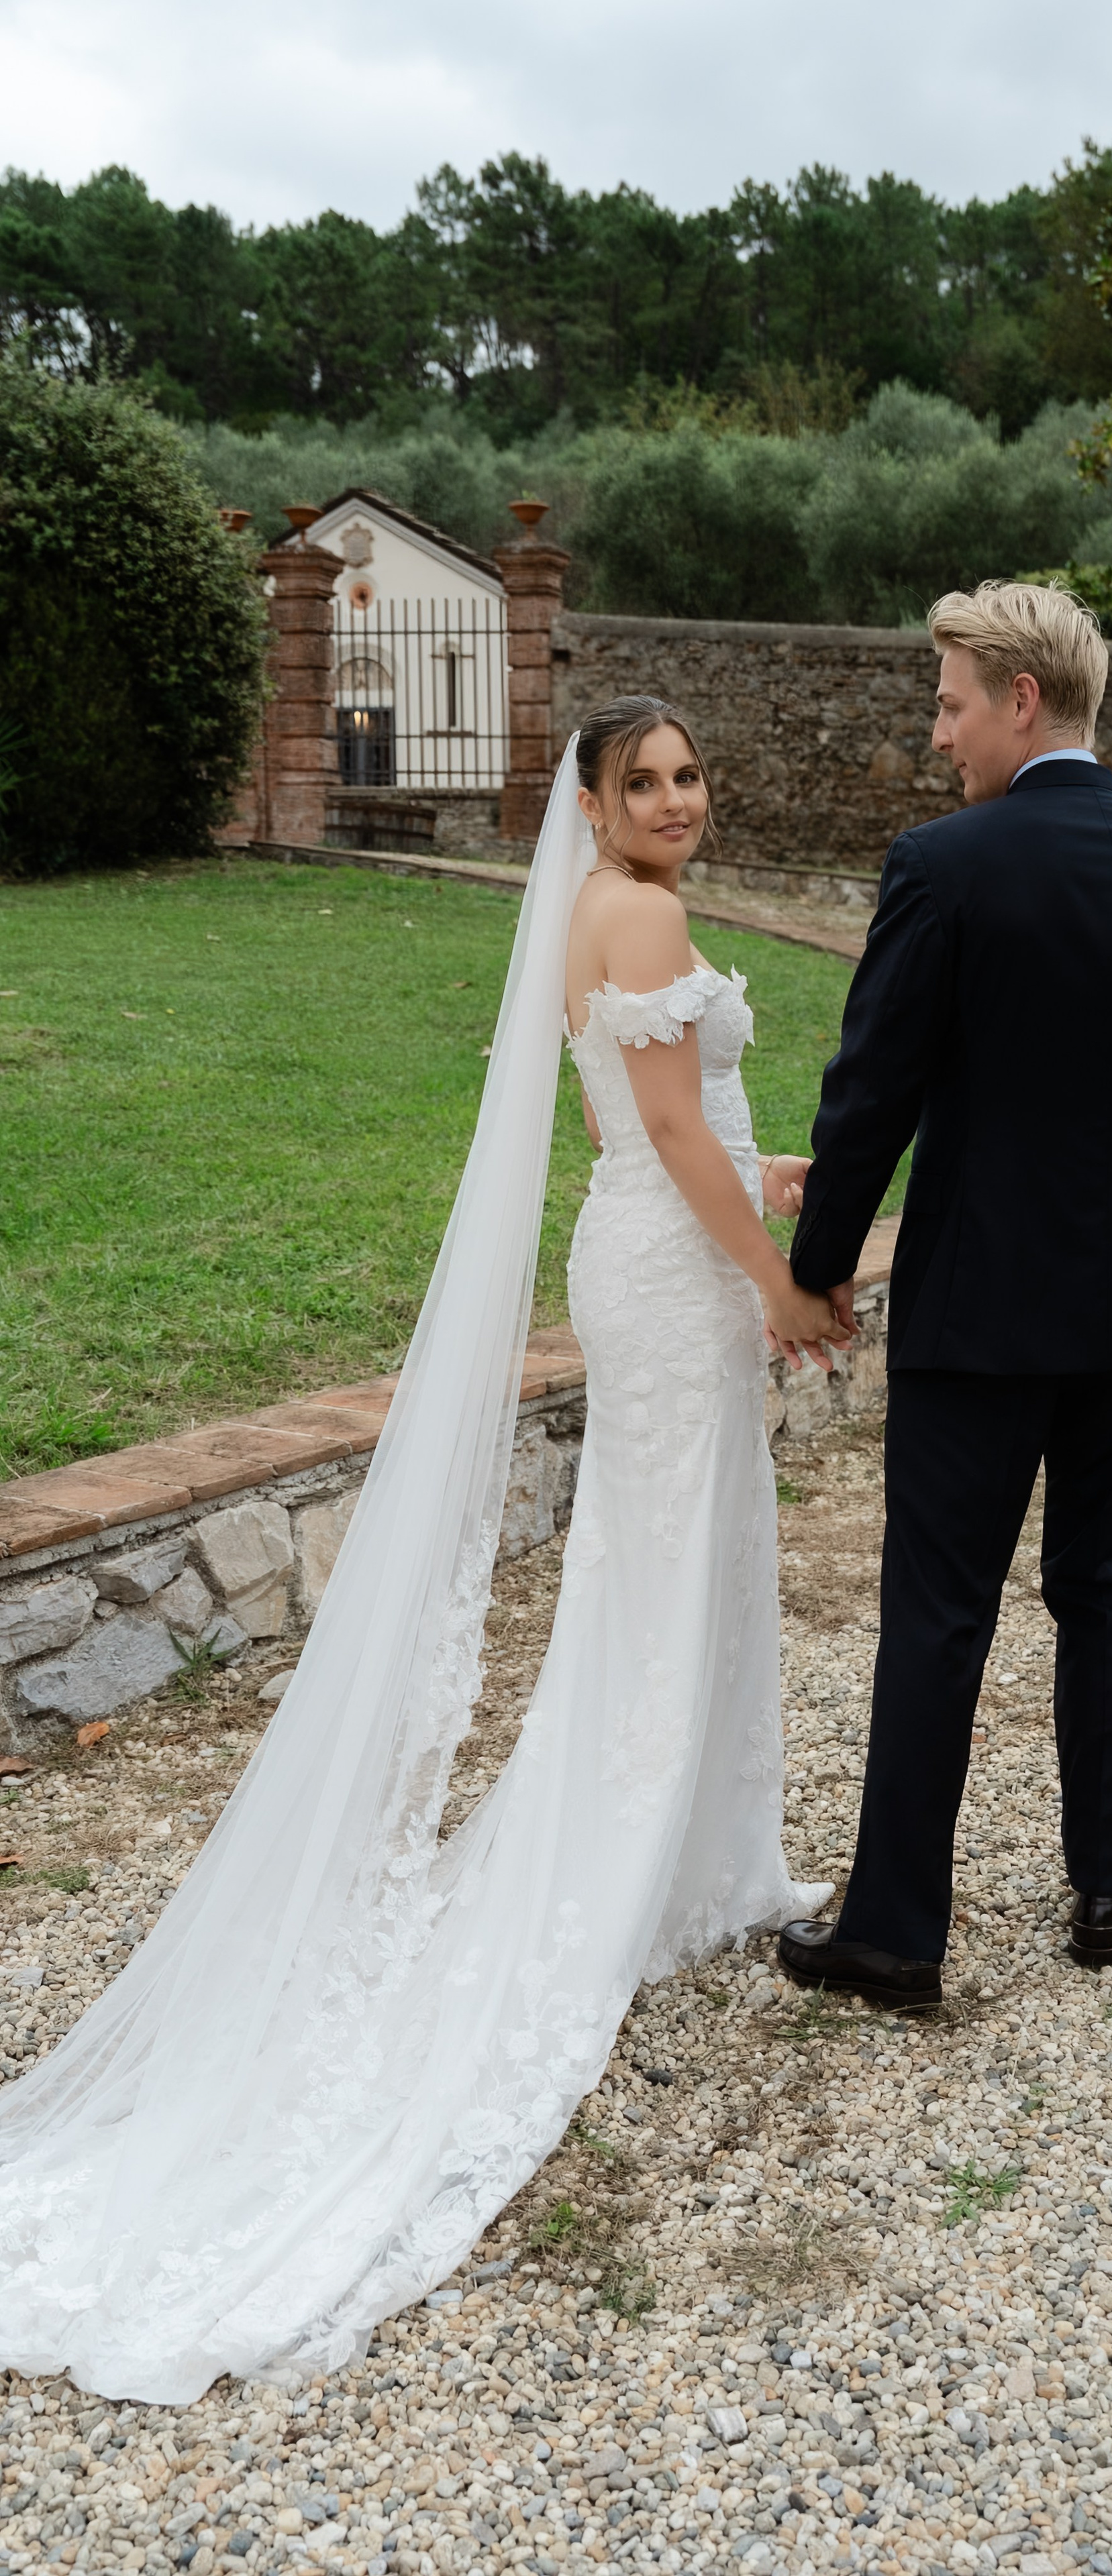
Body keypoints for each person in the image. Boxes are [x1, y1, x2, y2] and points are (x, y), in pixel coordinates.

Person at [0, 698, 842, 2403]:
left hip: (642, 1249)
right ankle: (640, 1872)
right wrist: (784, 1288)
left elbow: (657, 1120)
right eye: (645, 782)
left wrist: (775, 1169)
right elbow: (672, 1138)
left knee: (659, 1562)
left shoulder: (586, 915)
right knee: (666, 1570)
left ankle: (691, 1853)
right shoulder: (644, 909)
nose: (676, 802)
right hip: (681, 1282)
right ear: (594, 802)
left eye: (689, 778)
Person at [778, 580, 1112, 2011]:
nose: (936, 739)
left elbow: (870, 1095)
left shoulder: (941, 869)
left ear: (1017, 700)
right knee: (1110, 1591)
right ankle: (1105, 1884)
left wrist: (815, 1272)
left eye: (945, 705)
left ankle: (893, 1929)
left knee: (938, 1607)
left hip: (977, 1309)